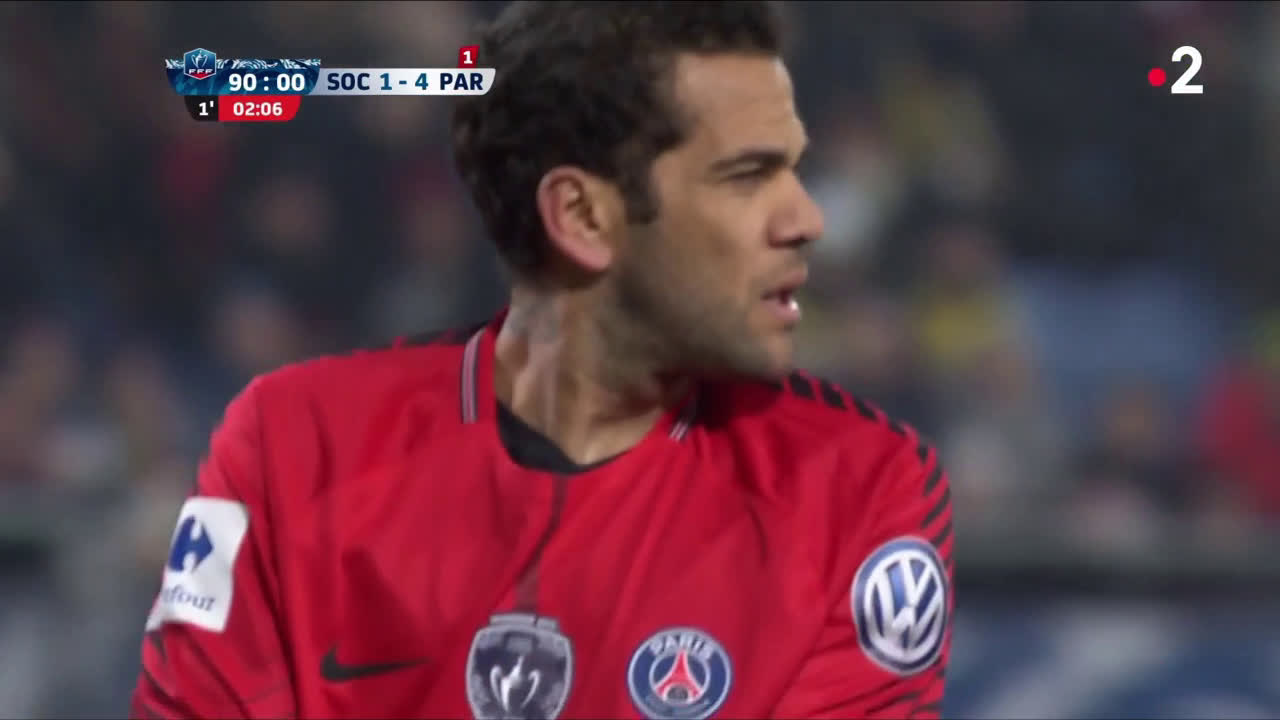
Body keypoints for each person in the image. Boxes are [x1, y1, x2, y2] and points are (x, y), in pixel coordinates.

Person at [129, 2, 954, 718]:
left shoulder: (860, 489)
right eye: (746, 177)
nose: (806, 219)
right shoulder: (292, 447)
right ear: (583, 218)